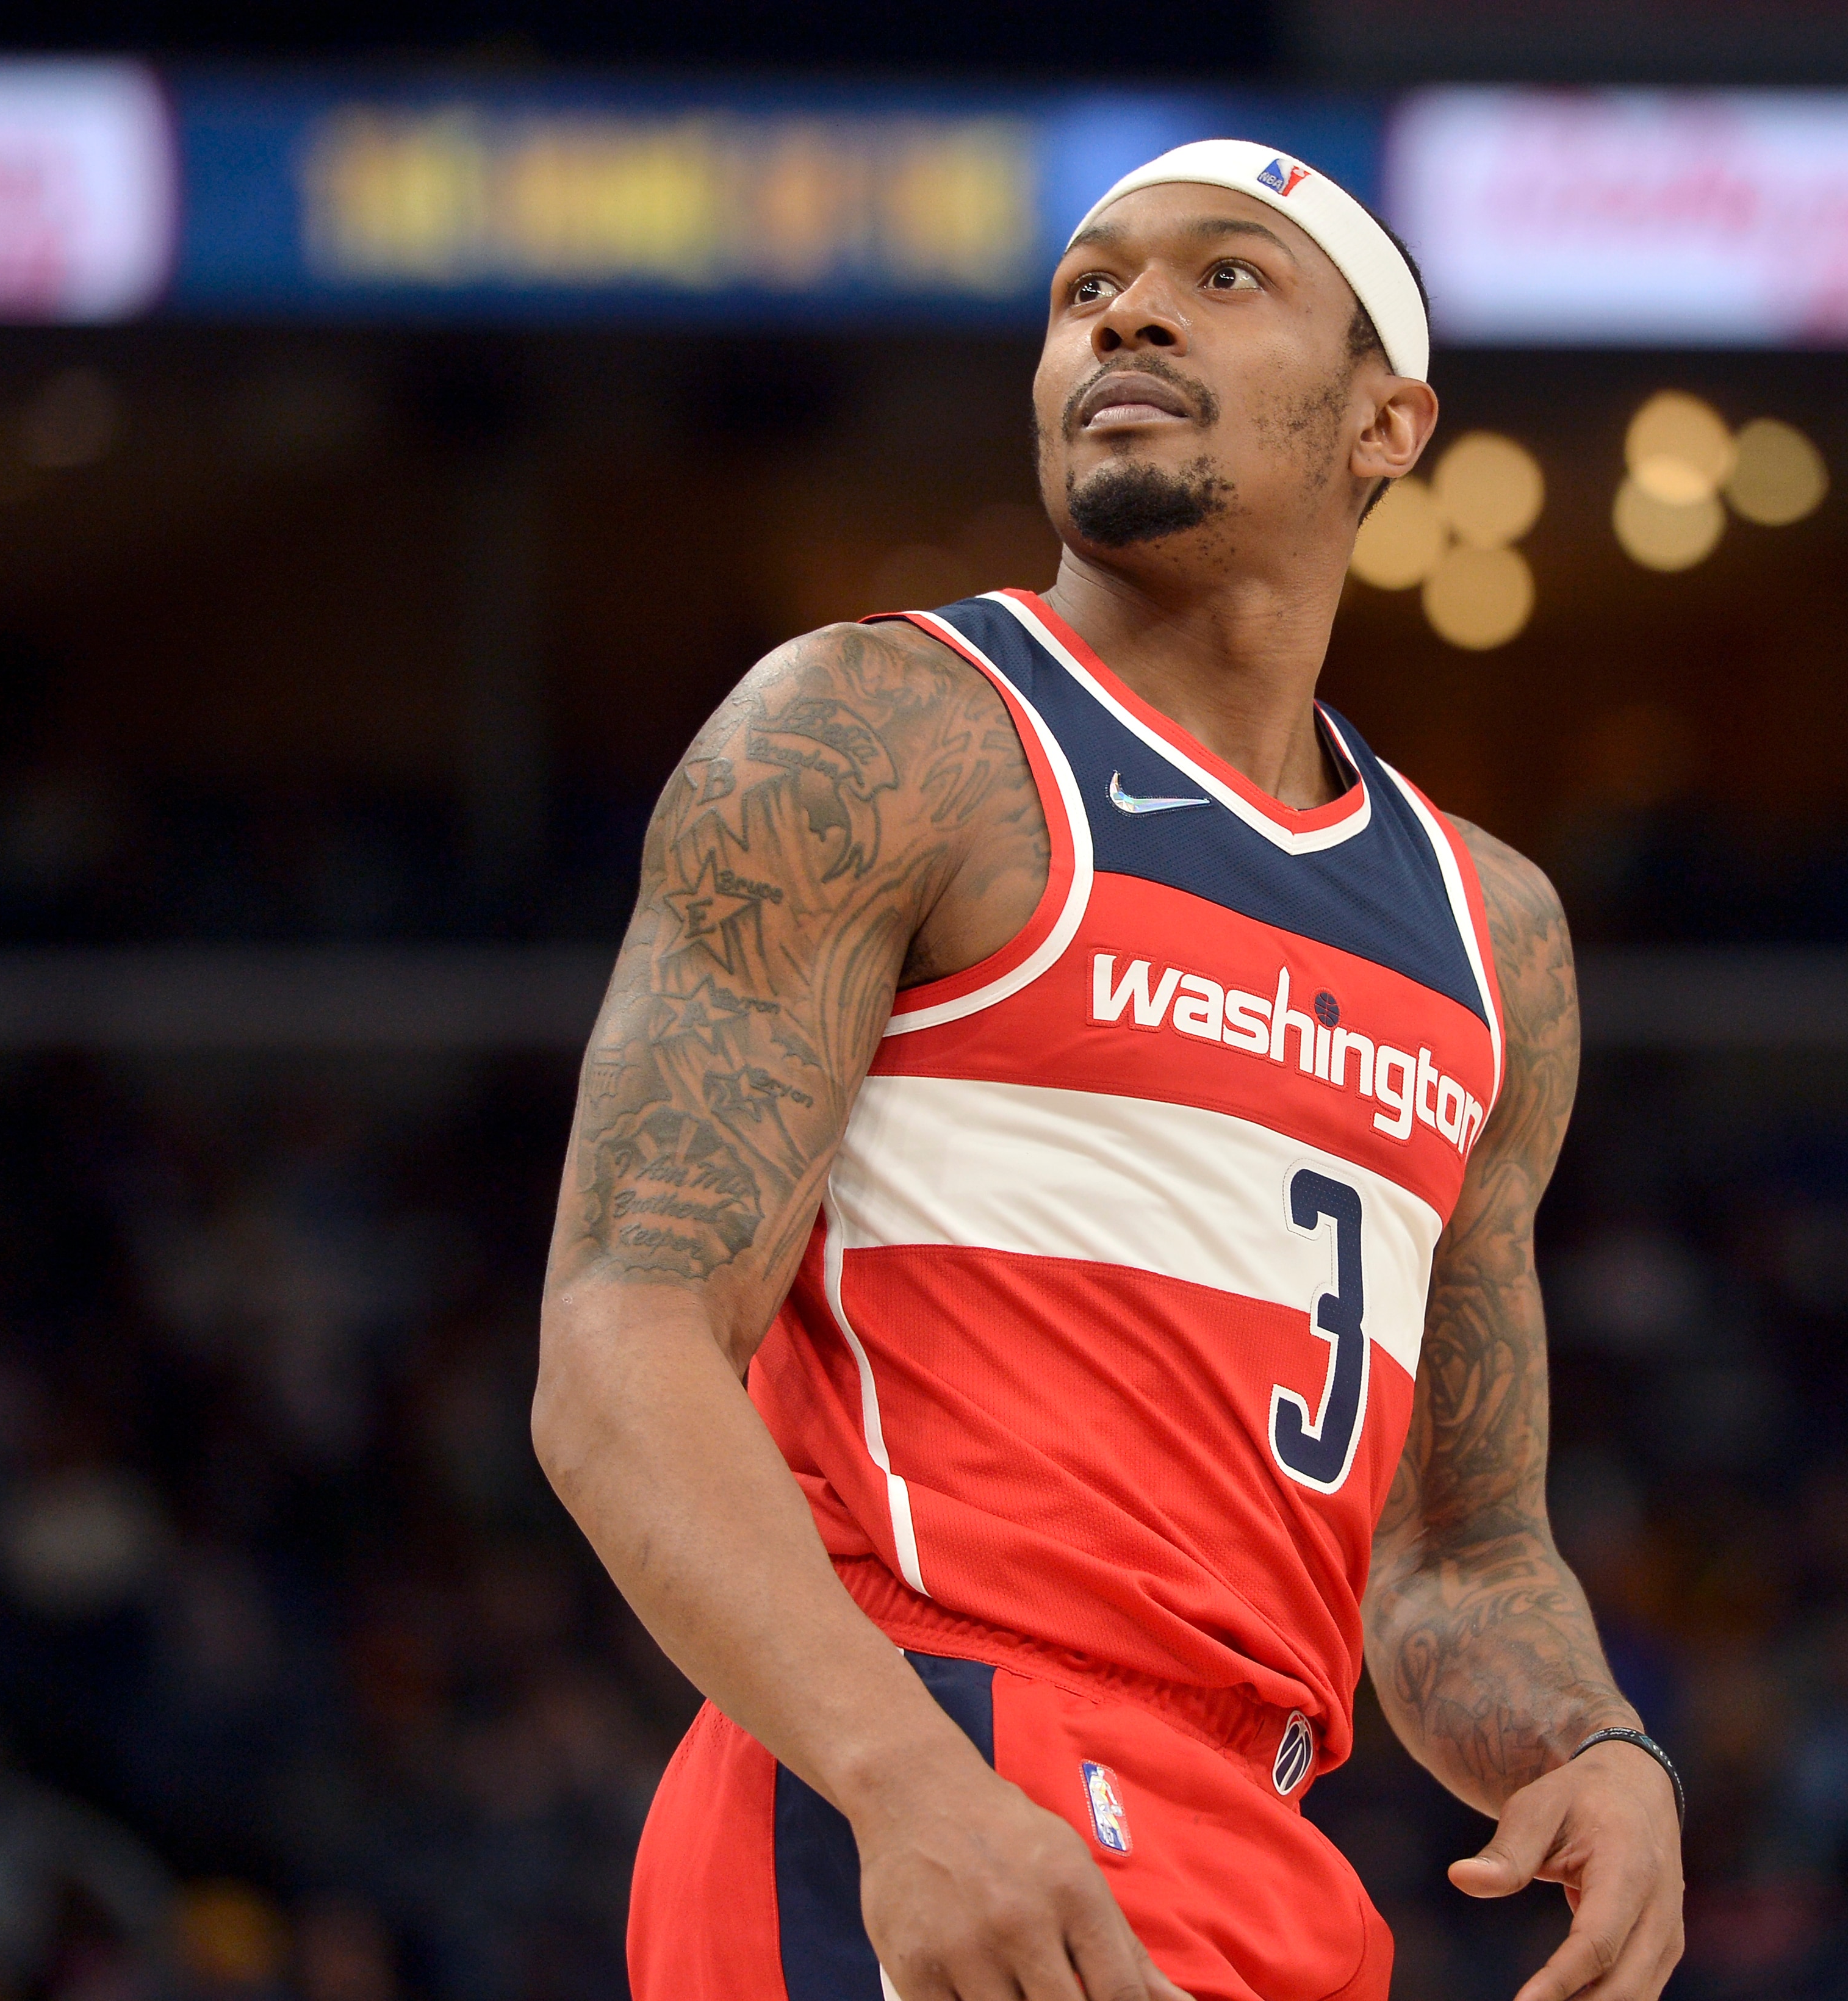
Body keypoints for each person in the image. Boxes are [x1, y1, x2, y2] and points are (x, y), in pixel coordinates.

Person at [533, 140, 1684, 2001]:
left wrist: (1591, 1751)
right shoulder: (887, 732)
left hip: (1265, 1835)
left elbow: (1463, 1552)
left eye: (1226, 277)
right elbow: (618, 1341)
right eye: (1088, 287)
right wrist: (904, 1780)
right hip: (931, 1760)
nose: (1128, 309)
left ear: (1388, 425)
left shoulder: (1497, 934)